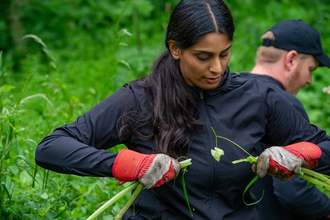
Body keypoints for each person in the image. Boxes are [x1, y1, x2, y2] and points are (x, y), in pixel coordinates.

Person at [35, 1, 330, 219]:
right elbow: (51, 148)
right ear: (175, 48)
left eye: (224, 54)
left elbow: (324, 147)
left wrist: (301, 155)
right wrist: (129, 165)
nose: (216, 67)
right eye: (203, 57)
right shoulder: (141, 98)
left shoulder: (258, 97)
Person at [239, 19, 330, 220]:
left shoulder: (228, 93)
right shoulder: (284, 103)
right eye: (311, 70)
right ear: (291, 60)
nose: (309, 81)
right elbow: (294, 193)